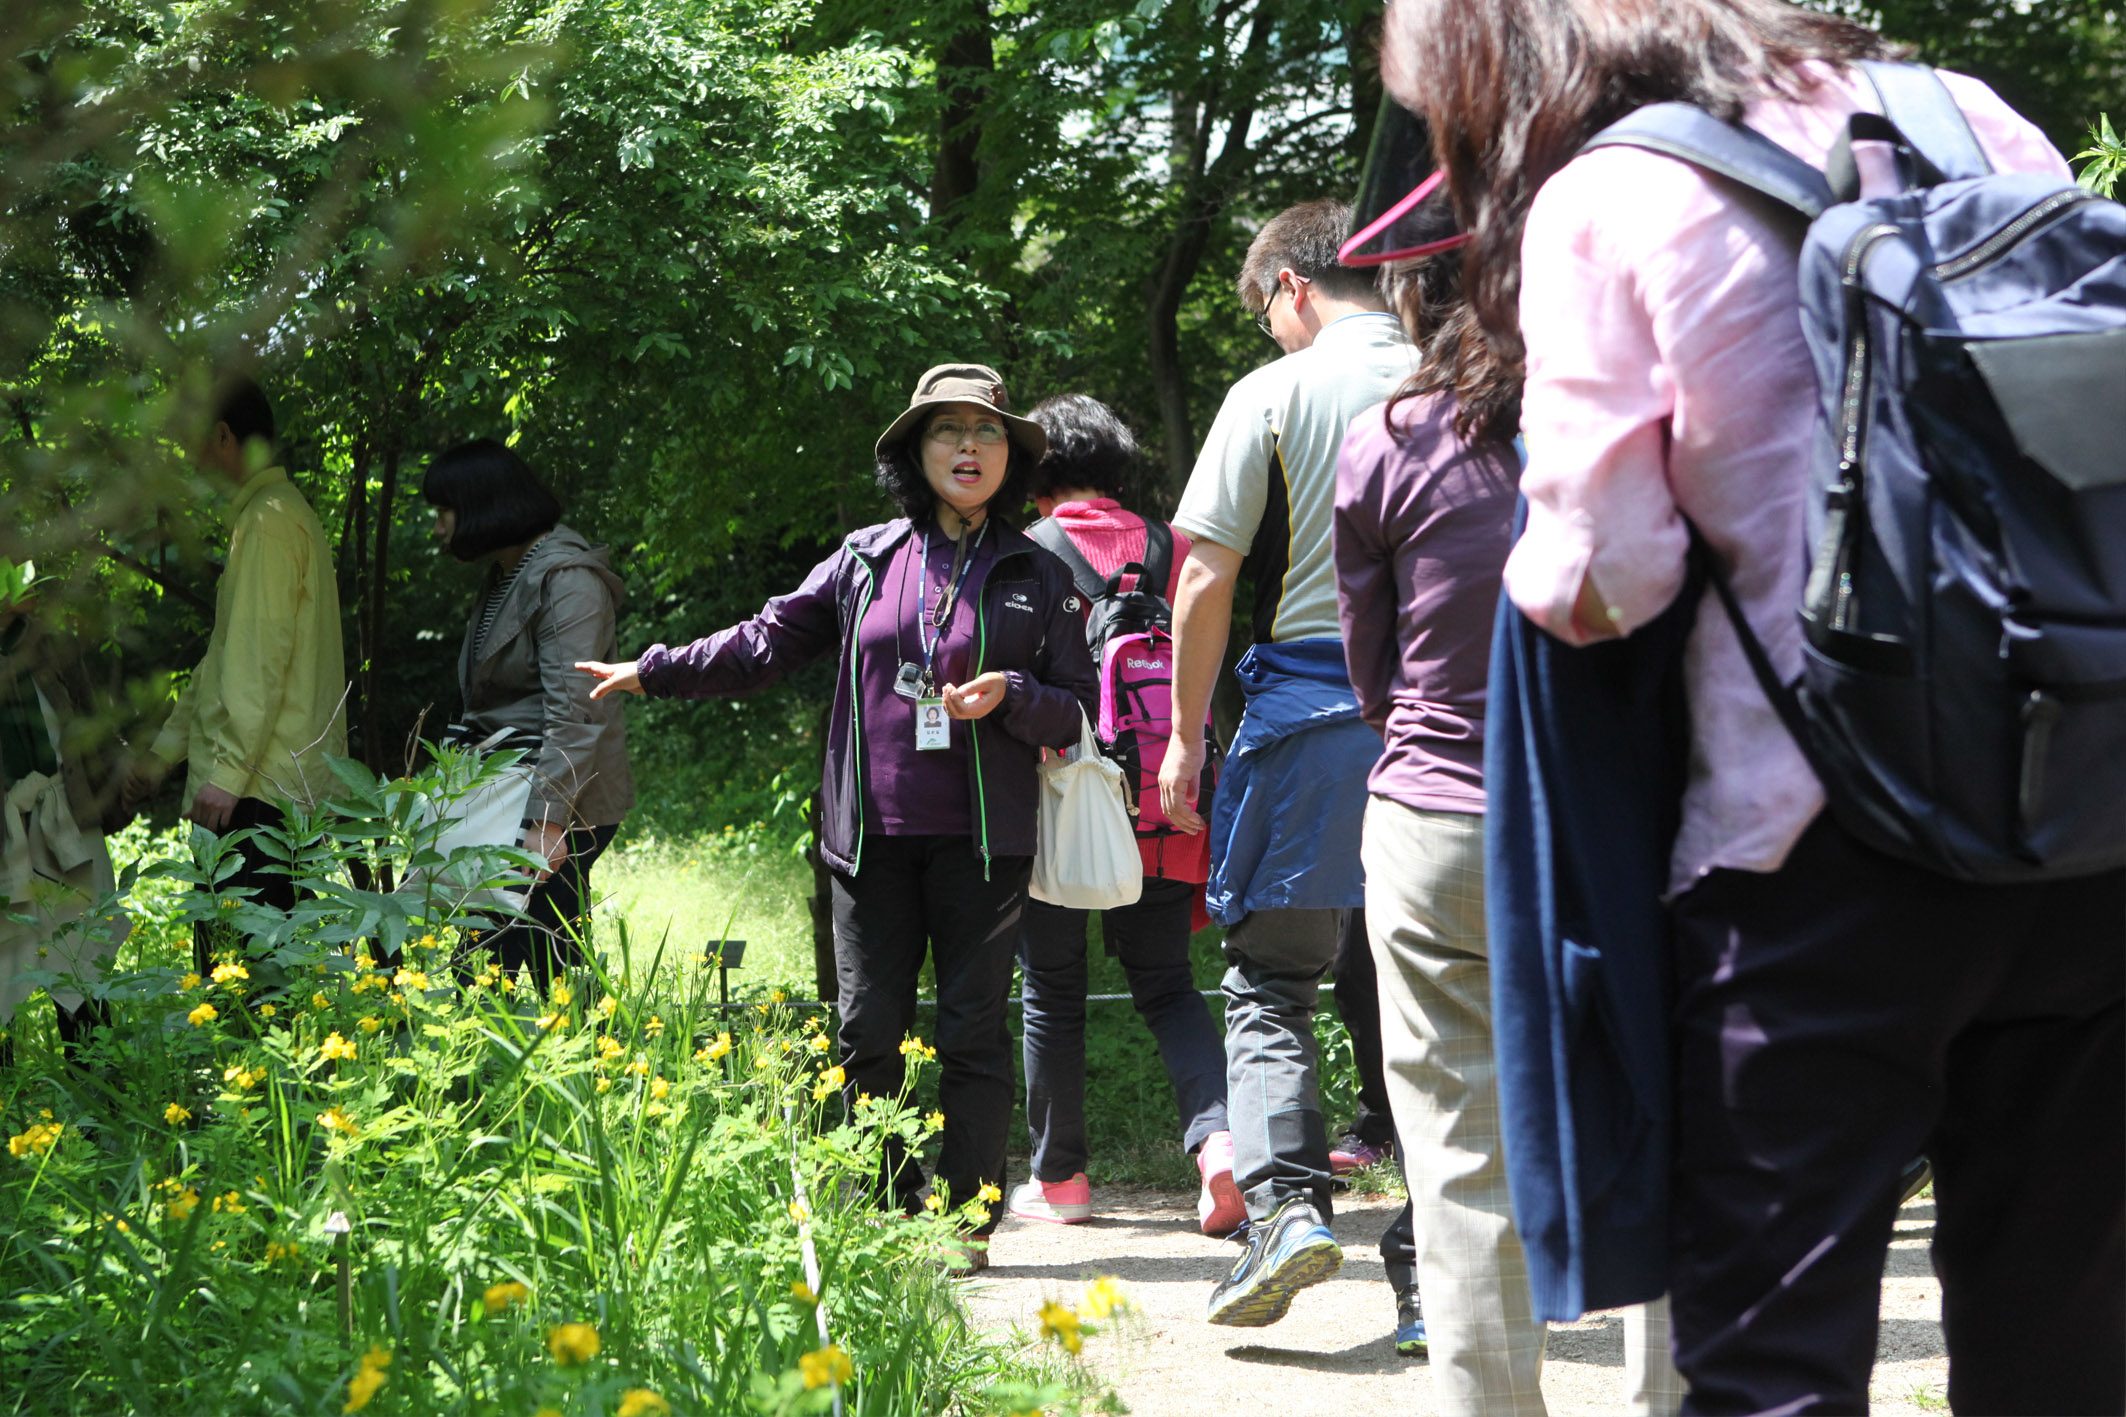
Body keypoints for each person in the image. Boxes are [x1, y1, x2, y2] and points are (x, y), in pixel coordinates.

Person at [1384, 0, 2121, 1411]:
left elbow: (1603, 574)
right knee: (2065, 1340)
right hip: (2079, 808)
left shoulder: (1613, 192)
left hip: (1810, 857)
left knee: (1773, 1364)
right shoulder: (1976, 116)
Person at [577, 364, 1096, 1271]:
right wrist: (656, 668)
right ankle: (901, 1213)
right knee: (866, 1030)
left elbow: (1075, 708)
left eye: (986, 430)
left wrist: (1010, 693)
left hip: (987, 841)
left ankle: (966, 1224)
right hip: (870, 839)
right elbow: (766, 639)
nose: (967, 446)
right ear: (915, 450)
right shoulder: (863, 559)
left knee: (972, 1028)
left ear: (1010, 454)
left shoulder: (1039, 571)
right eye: (946, 430)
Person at [1156, 199, 1417, 1327]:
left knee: (1271, 976)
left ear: (1293, 288)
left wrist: (1180, 733)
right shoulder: (1473, 373)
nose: (1267, 329)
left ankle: (1286, 1217)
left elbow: (1205, 576)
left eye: (1262, 307)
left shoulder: (1272, 392)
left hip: (1313, 717)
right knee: (1445, 992)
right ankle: (1436, 1280)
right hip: (1466, 727)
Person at [1007, 393, 1240, 1237]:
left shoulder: (1027, 551)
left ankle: (1062, 1180)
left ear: (1041, 472)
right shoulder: (1174, 546)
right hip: (1167, 795)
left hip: (1067, 800)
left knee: (1052, 989)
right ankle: (1218, 1147)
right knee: (1171, 987)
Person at [131, 377, 346, 979]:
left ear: (223, 436)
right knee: (253, 973)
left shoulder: (269, 521)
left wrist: (225, 775)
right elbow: (224, 657)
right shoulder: (272, 514)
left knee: (251, 983)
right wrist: (162, 754)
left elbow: (259, 661)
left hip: (258, 794)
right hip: (266, 785)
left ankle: (259, 1075)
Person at [423, 438, 634, 993]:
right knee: (487, 967)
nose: (439, 527)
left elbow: (575, 710)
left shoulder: (566, 579)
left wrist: (546, 825)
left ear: (481, 505)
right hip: (511, 798)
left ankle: (575, 1073)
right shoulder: (510, 573)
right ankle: (497, 1074)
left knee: (542, 972)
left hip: (557, 806)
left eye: (444, 511)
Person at [0, 567, 133, 1067]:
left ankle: (101, 1114)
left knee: (85, 973)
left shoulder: (50, 645)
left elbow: (89, 723)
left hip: (64, 826)